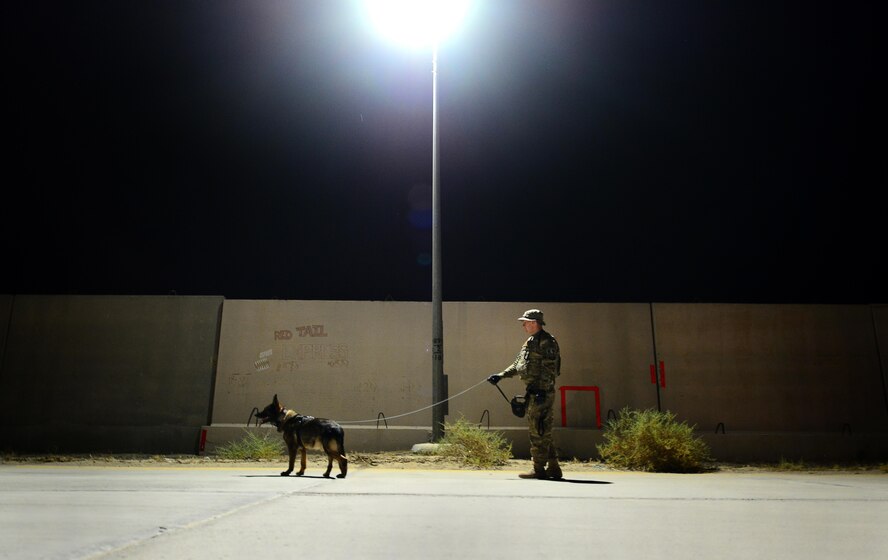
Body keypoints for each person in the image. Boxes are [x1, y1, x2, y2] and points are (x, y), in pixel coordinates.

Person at [488, 309, 562, 479]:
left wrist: (542, 391)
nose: (523, 325)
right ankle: (554, 467)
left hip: (541, 393)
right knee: (544, 430)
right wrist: (501, 375)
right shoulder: (530, 342)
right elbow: (518, 364)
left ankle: (538, 469)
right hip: (534, 391)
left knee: (537, 430)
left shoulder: (547, 342)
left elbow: (549, 370)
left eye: (526, 322)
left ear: (534, 323)